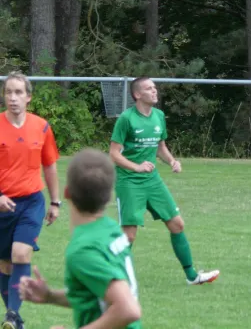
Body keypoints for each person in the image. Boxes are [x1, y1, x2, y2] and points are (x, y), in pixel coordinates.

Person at [109, 77, 219, 285]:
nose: (154, 91)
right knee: (129, 236)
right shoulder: (126, 119)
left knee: (177, 224)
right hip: (129, 181)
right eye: (149, 88)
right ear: (137, 95)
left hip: (153, 181)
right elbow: (114, 154)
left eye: (155, 88)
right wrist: (137, 167)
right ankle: (109, 275)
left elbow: (160, 147)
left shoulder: (158, 116)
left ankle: (192, 276)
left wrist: (171, 161)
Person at [18, 148, 142, 329]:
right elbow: (97, 294)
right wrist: (50, 296)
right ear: (108, 196)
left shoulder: (83, 250)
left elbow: (128, 310)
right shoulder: (110, 229)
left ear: (67, 192)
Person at [0, 71, 61, 329]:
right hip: (3, 205)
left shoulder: (42, 126)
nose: (12, 98)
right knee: (4, 264)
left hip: (31, 202)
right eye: (8, 92)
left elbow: (49, 165)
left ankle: (12, 315)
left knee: (20, 254)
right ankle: (16, 319)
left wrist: (55, 202)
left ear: (28, 97)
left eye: (18, 92)